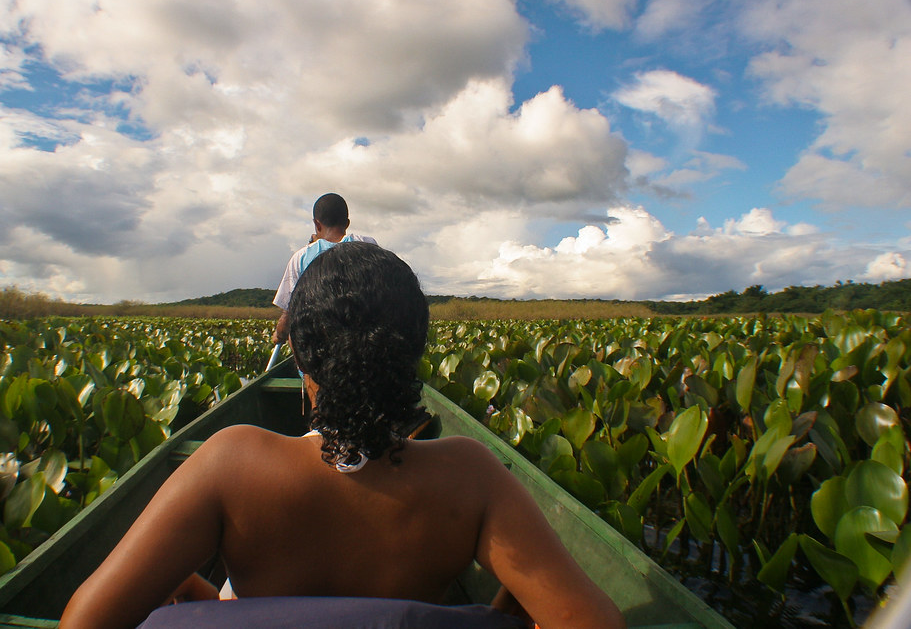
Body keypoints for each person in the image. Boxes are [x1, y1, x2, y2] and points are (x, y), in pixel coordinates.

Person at [60, 242, 625, 629]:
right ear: (413, 357)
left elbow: (84, 622)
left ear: (302, 359)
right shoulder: (471, 476)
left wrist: (204, 602)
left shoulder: (231, 462)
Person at [270, 192, 376, 345]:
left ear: (317, 224)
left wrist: (279, 334)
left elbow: (288, 313)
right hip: (361, 343)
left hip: (318, 349)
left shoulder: (300, 258)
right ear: (347, 223)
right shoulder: (368, 244)